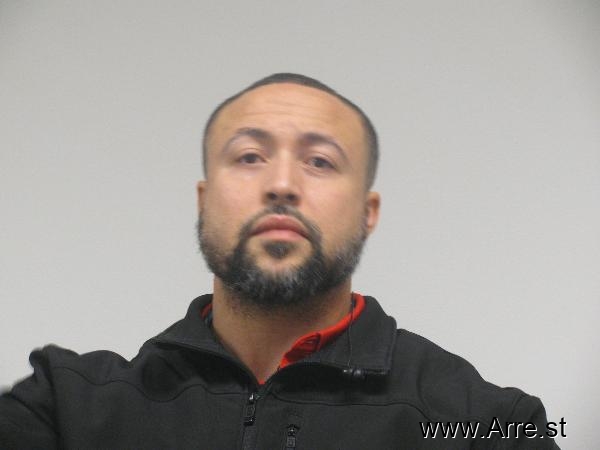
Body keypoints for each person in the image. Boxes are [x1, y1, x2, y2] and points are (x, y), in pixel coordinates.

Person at [0, 73, 560, 449]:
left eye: (320, 161)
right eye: (249, 156)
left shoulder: (488, 425)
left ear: (367, 212)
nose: (282, 183)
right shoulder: (63, 408)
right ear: (203, 202)